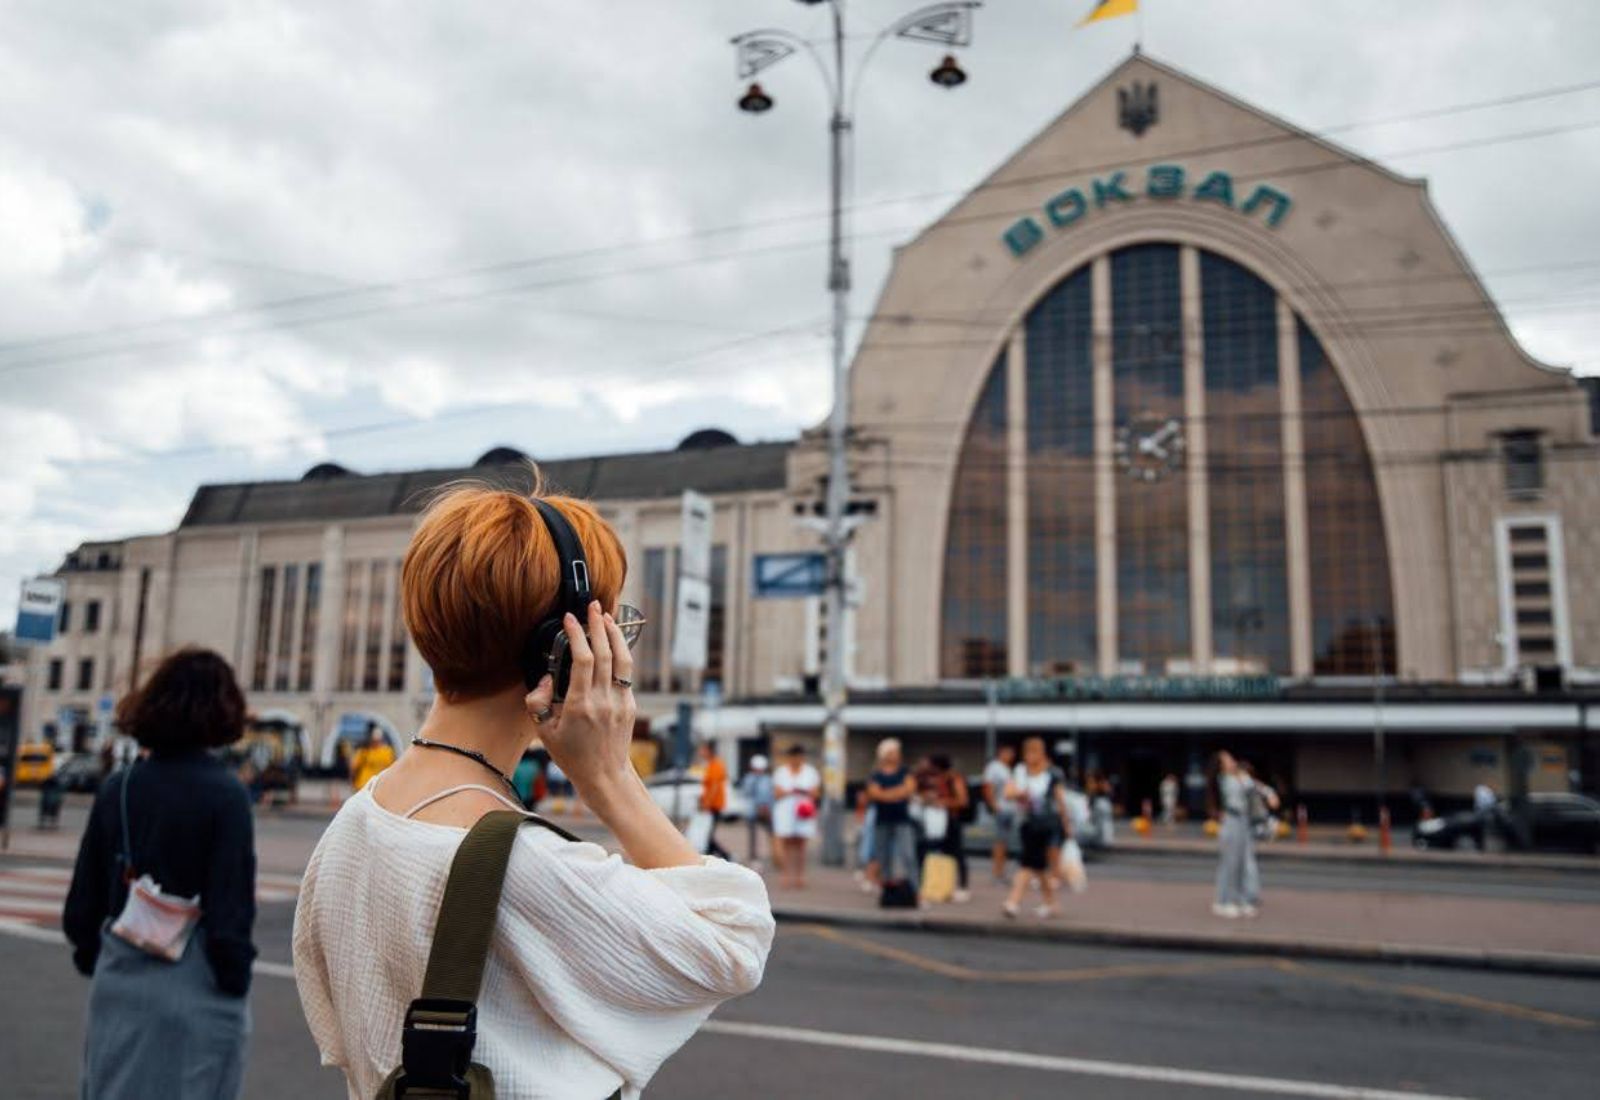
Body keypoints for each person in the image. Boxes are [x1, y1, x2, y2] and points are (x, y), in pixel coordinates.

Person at [292, 482, 773, 1099]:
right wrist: (609, 776)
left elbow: (337, 1035)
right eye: (614, 625)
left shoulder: (356, 820)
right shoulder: (522, 865)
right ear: (565, 649)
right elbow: (736, 937)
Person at [63, 647, 257, 1099]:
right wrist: (232, 982)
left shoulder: (119, 787)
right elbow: (231, 909)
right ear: (222, 710)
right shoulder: (227, 795)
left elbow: (81, 907)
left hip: (119, 986)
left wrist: (99, 959)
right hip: (198, 993)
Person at [1003, 736, 1070, 919]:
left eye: (1035, 752)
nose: (1031, 756)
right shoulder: (1020, 771)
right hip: (1028, 824)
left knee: (1028, 863)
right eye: (1028, 752)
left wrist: (1066, 825)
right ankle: (1051, 903)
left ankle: (1013, 902)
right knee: (1038, 867)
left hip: (1048, 824)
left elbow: (1060, 800)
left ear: (1042, 753)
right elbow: (1008, 792)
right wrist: (1019, 793)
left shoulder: (1053, 773)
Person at [866, 738, 919, 894]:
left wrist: (886, 794)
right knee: (883, 857)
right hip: (882, 819)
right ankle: (888, 889)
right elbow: (874, 793)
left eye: (897, 752)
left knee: (908, 855)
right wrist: (897, 793)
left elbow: (909, 789)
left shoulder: (905, 772)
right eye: (892, 752)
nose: (895, 755)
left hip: (902, 819)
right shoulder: (876, 774)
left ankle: (914, 889)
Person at [917, 754, 971, 903]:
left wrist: (942, 802)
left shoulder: (954, 778)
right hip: (934, 820)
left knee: (956, 852)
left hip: (950, 819)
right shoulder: (933, 779)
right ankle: (935, 885)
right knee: (929, 852)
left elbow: (963, 800)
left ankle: (962, 886)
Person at [1212, 750, 1258, 918]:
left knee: (1244, 861)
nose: (1232, 762)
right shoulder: (1224, 779)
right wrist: (1240, 777)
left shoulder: (1240, 776)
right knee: (1229, 862)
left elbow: (1251, 788)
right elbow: (1236, 794)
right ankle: (1224, 901)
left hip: (1244, 821)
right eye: (1228, 760)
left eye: (1232, 758)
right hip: (1231, 820)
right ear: (1221, 766)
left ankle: (1243, 899)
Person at [771, 744, 821, 889]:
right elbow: (777, 794)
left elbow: (816, 793)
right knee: (786, 844)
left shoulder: (810, 772)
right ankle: (786, 875)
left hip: (803, 810)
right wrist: (790, 791)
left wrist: (804, 791)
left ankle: (800, 875)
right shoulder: (781, 772)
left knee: (801, 845)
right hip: (786, 811)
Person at [983, 744, 1018, 881]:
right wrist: (994, 805)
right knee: (1000, 841)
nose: (1011, 756)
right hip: (1001, 809)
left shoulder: (1006, 768)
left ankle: (1001, 871)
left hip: (1009, 809)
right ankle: (997, 873)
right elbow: (988, 786)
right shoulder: (994, 767)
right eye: (1009, 752)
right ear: (1001, 752)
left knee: (1005, 842)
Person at [737, 754, 775, 869]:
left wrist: (766, 807)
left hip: (766, 811)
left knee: (772, 834)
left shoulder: (767, 779)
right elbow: (746, 793)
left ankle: (775, 855)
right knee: (753, 836)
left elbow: (769, 795)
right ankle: (753, 857)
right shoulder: (749, 779)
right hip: (752, 812)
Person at [696, 740, 731, 861]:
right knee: (707, 834)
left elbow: (715, 786)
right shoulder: (710, 764)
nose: (700, 752)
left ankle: (725, 856)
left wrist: (707, 803)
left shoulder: (716, 765)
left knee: (707, 834)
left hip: (714, 805)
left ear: (709, 750)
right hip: (709, 804)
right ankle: (711, 856)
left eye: (703, 749)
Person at [348, 725, 396, 792]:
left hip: (379, 787)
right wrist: (352, 782)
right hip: (363, 786)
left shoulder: (387, 752)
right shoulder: (364, 751)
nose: (375, 743)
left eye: (377, 741)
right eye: (374, 741)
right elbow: (353, 767)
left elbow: (392, 768)